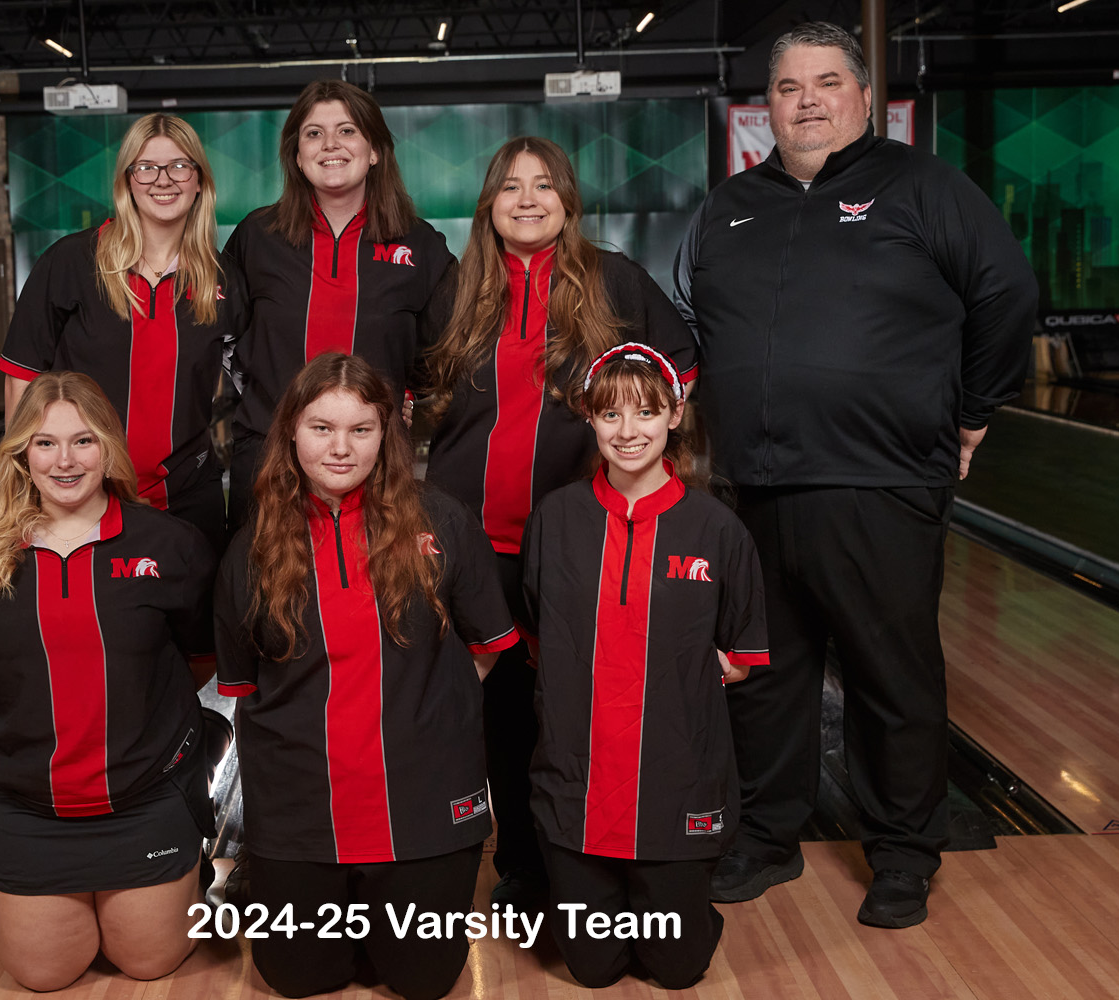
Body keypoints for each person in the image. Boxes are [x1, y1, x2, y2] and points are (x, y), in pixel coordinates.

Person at [672, 22, 1039, 927]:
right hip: (755, 486)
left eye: (826, 82)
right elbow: (687, 319)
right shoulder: (731, 205)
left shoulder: (924, 188)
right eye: (788, 87)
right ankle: (766, 836)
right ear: (767, 106)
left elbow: (1006, 296)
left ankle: (904, 853)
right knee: (766, 673)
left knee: (890, 674)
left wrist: (974, 411)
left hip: (879, 480)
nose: (806, 101)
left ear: (864, 97)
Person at [419, 136, 698, 914]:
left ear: (568, 200)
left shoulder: (615, 280)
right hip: (475, 546)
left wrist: (643, 460)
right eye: (510, 186)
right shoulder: (456, 289)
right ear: (489, 204)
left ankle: (586, 853)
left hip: (581, 540)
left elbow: (679, 367)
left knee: (570, 707)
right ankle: (521, 863)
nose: (528, 198)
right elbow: (405, 390)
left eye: (544, 185)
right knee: (501, 714)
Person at [213, 352, 518, 1000]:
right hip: (301, 807)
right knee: (297, 979)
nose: (341, 447)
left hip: (422, 802)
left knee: (423, 980)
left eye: (361, 429)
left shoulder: (443, 521)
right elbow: (242, 690)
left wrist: (425, 720)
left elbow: (486, 647)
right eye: (322, 428)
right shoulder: (252, 547)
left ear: (388, 433)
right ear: (291, 430)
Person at [0, 372, 219, 991]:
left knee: (147, 962)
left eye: (83, 441)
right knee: (45, 973)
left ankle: (196, 869)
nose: (65, 460)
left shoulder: (170, 545)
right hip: (25, 804)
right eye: (45, 442)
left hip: (146, 795)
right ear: (21, 452)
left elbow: (198, 658)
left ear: (108, 448)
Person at [520, 343, 766, 989]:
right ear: (589, 418)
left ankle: (681, 913)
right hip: (576, 780)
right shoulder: (556, 518)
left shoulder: (717, 530)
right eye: (610, 415)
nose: (628, 432)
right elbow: (539, 632)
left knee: (677, 970)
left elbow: (740, 657)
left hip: (675, 784)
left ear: (675, 415)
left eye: (646, 413)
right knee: (592, 970)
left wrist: (671, 672)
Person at [0, 113, 243, 552]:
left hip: (188, 496)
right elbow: (22, 380)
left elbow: (260, 378)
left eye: (179, 166)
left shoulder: (222, 278)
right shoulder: (71, 262)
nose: (163, 180)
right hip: (83, 496)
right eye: (146, 167)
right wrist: (22, 487)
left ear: (199, 181)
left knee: (198, 620)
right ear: (127, 180)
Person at [223, 80, 455, 530]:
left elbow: (442, 347)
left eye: (347, 131)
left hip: (376, 457)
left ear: (374, 151)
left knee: (374, 591)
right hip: (270, 454)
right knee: (261, 592)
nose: (330, 144)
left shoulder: (419, 242)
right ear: (296, 154)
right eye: (313, 133)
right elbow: (221, 336)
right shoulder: (257, 236)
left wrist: (401, 395)